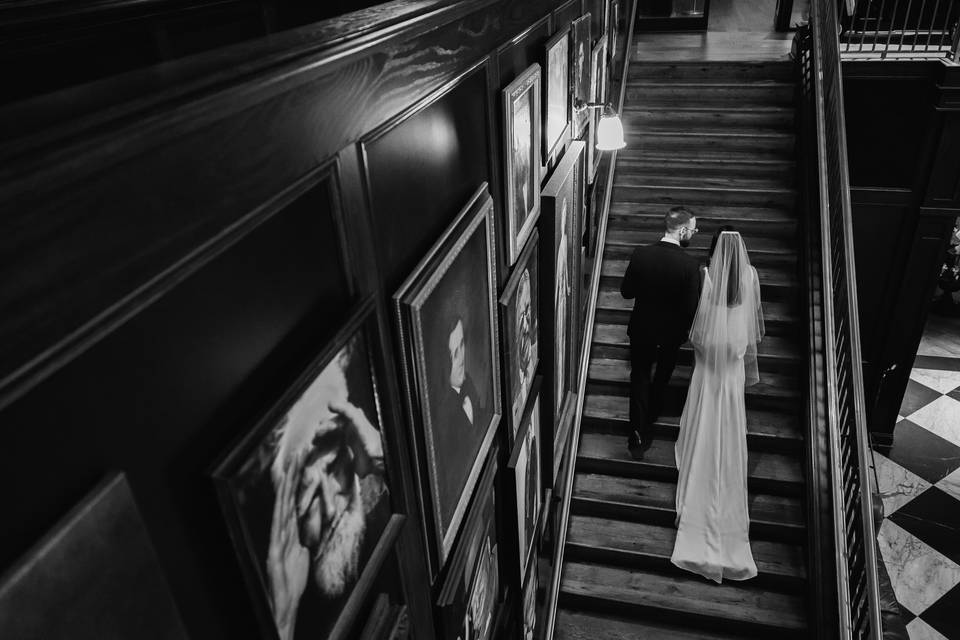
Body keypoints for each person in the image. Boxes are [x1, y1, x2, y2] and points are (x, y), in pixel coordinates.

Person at [265, 344, 389, 640]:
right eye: (309, 496)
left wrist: (383, 458)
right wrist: (283, 623)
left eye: (334, 465)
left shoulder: (379, 502)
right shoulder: (293, 597)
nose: (331, 509)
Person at [671, 229, 764, 583]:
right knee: (728, 434)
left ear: (714, 253)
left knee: (702, 428)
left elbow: (699, 334)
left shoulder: (706, 276)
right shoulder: (751, 276)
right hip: (731, 372)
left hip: (708, 372)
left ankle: (696, 501)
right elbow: (750, 333)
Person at [619, 206, 701, 457]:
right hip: (672, 334)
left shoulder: (641, 254)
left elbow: (626, 292)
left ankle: (636, 432)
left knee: (639, 376)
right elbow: (692, 308)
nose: (694, 234)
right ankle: (652, 413)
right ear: (684, 230)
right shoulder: (690, 264)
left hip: (642, 327)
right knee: (663, 373)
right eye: (694, 230)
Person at [443, 316, 482, 431]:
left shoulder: (469, 384)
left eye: (461, 345)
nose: (461, 358)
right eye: (454, 354)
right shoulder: (444, 413)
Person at [513, 268, 537, 426]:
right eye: (523, 315)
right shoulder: (513, 393)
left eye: (528, 311)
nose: (527, 323)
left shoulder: (535, 361)